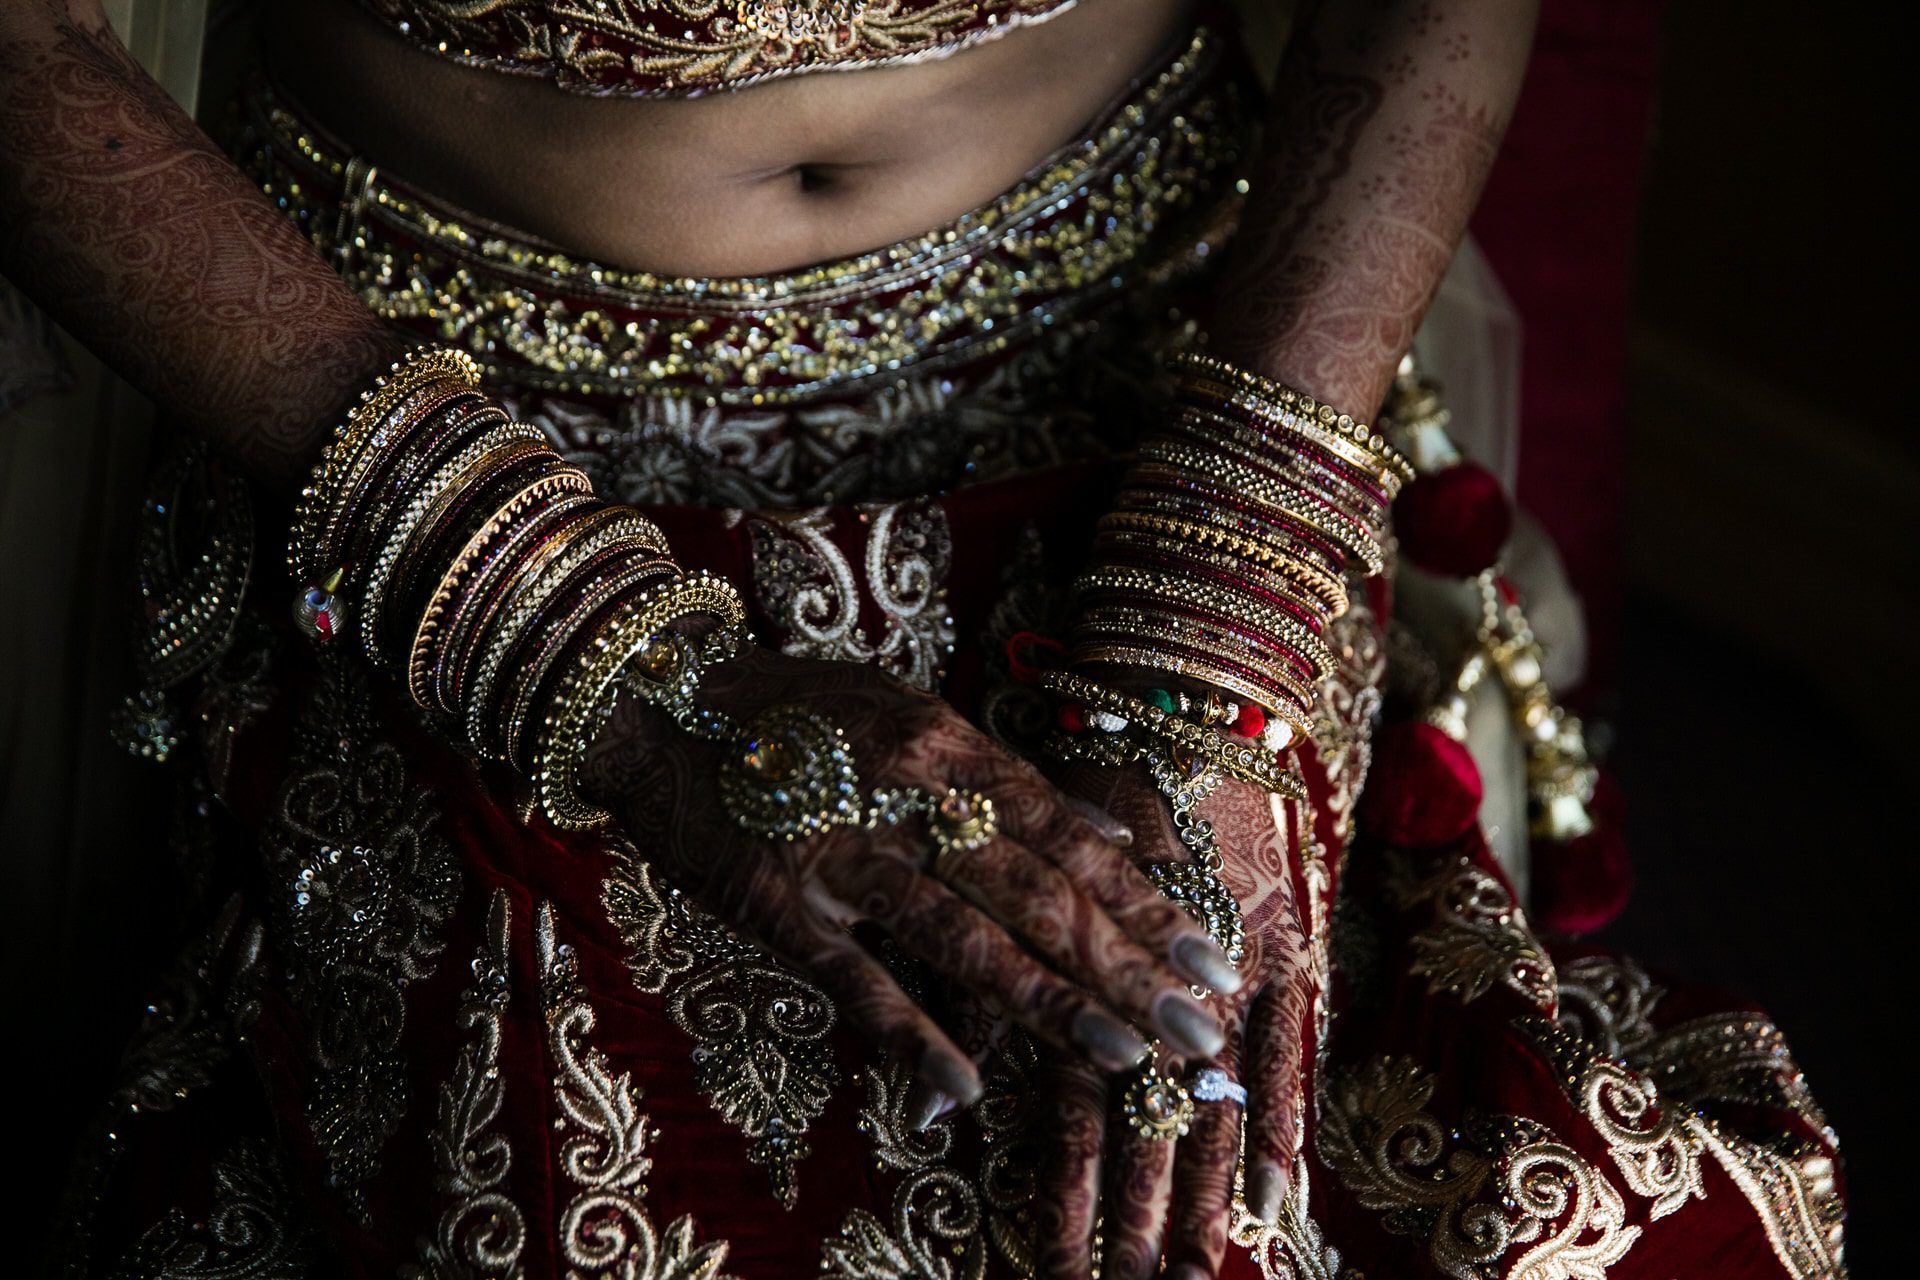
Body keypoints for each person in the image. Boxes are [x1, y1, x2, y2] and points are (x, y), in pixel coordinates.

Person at [0, 0, 1846, 1276]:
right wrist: (570, 635)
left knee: (1297, 1165)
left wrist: (1232, 585)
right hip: (438, 427)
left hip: (1166, 393)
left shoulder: (1207, 494)